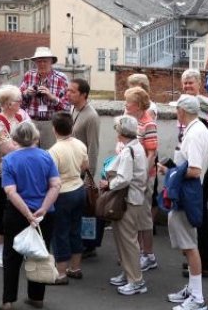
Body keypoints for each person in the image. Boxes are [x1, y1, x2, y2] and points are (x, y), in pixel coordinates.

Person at [0, 122, 61, 310]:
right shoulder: (46, 156)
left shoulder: (9, 160)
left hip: (17, 214)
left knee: (11, 256)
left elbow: (10, 191)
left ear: (15, 139)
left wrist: (27, 213)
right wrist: (43, 208)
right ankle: (36, 297)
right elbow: (56, 185)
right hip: (44, 215)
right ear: (36, 137)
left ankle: (8, 300)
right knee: (39, 253)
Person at [166, 95, 208, 310]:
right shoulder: (198, 129)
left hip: (187, 194)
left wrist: (171, 173)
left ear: (183, 111)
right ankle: (193, 290)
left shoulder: (194, 134)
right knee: (188, 244)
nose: (176, 113)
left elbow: (194, 169)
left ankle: (198, 298)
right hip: (189, 193)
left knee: (189, 245)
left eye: (178, 110)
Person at [177, 68, 208, 279]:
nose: (188, 86)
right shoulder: (182, 103)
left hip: (201, 167)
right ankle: (194, 258)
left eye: (191, 83)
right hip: (190, 162)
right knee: (192, 214)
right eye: (185, 83)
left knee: (200, 215)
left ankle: (204, 263)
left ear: (200, 84)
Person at [104, 115, 149, 296]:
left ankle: (136, 280)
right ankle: (129, 273)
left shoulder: (129, 150)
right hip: (132, 199)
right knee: (124, 239)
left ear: (121, 132)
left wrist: (108, 184)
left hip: (129, 200)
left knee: (128, 241)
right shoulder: (135, 147)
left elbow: (124, 179)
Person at [0, 85, 27, 268]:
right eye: (18, 100)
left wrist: (22, 145)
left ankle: (15, 248)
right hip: (0, 173)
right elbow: (7, 151)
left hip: (19, 173)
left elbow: (33, 139)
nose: (21, 103)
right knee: (2, 211)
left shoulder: (19, 117)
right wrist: (26, 145)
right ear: (9, 104)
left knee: (18, 212)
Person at [48, 112, 89, 284]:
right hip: (79, 189)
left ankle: (61, 273)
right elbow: (85, 166)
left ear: (54, 130)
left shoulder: (53, 151)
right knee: (76, 228)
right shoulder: (80, 144)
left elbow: (51, 177)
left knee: (60, 232)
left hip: (62, 194)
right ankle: (76, 267)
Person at [123, 87, 158, 272]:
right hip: (134, 176)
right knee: (135, 217)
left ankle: (148, 255)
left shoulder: (148, 123)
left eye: (128, 102)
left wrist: (143, 175)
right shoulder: (133, 120)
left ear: (136, 105)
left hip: (142, 178)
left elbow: (152, 152)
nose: (125, 105)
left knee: (143, 217)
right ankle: (136, 254)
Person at [67, 78, 102, 257]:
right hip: (73, 168)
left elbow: (93, 148)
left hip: (83, 171)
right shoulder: (72, 109)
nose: (68, 94)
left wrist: (90, 176)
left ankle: (88, 246)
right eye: (68, 90)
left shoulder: (91, 116)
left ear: (84, 95)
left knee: (85, 209)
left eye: (72, 91)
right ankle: (78, 241)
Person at [19, 46, 70, 150]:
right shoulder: (29, 75)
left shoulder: (61, 78)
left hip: (51, 124)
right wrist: (26, 93)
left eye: (45, 61)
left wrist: (52, 97)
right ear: (35, 62)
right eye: (39, 61)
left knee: (49, 155)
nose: (42, 64)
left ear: (51, 62)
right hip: (31, 122)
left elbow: (67, 107)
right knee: (30, 155)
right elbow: (19, 102)